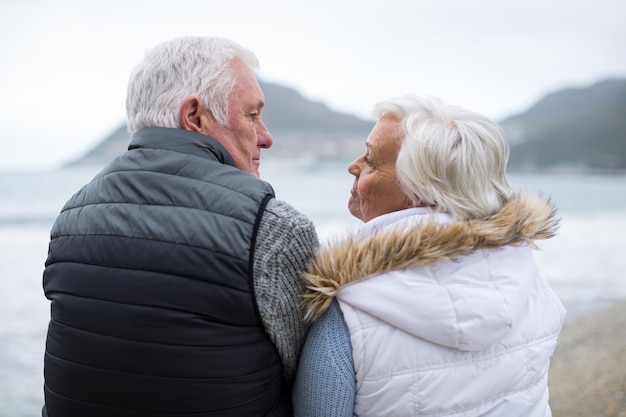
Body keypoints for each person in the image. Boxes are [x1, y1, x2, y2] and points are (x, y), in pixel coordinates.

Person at [42, 36, 319, 417]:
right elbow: (313, 379)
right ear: (195, 117)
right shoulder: (271, 229)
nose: (265, 137)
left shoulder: (72, 216)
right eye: (252, 116)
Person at [293, 94, 566, 417]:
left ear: (419, 194)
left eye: (370, 160)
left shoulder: (349, 311)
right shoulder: (528, 279)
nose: (353, 166)